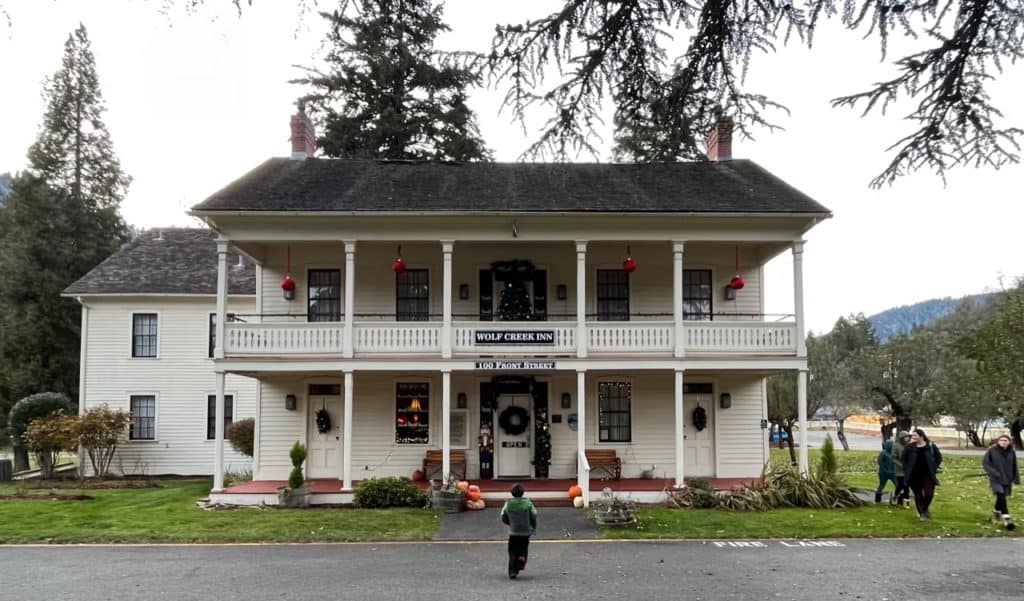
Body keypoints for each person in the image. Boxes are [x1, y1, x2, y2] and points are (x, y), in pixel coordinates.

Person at [901, 428, 942, 520]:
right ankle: (922, 513)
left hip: (928, 475)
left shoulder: (930, 446)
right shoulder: (910, 447)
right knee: (918, 495)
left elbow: (938, 457)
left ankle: (924, 509)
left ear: (921, 436)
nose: (913, 437)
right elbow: (903, 459)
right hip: (914, 475)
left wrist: (934, 467)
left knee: (929, 494)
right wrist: (906, 469)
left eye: (915, 435)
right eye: (913, 435)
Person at [500, 483, 538, 579]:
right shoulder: (527, 503)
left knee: (512, 550)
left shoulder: (508, 504)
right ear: (523, 493)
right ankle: (522, 558)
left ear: (511, 493)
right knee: (523, 547)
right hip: (525, 531)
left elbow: (503, 515)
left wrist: (509, 522)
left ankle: (512, 571)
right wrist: (532, 525)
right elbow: (534, 514)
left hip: (514, 531)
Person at [982, 434, 1020, 529]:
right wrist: (994, 473)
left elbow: (1015, 465)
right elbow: (985, 463)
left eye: (1005, 440)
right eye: (1001, 440)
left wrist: (1016, 478)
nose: (1003, 442)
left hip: (1008, 478)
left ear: (1009, 442)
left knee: (1001, 497)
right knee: (1000, 494)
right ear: (998, 441)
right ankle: (1007, 517)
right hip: (996, 478)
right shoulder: (992, 450)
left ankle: (995, 513)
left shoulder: (1012, 452)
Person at [890, 431, 912, 508]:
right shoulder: (896, 446)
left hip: (908, 470)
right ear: (902, 438)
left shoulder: (909, 446)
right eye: (906, 437)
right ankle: (895, 496)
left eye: (908, 437)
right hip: (899, 470)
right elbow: (893, 458)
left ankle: (906, 501)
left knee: (906, 486)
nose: (908, 438)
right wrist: (901, 465)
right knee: (900, 485)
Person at [875, 439, 896, 503]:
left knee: (898, 485)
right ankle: (878, 498)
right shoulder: (883, 453)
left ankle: (896, 498)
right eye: (890, 445)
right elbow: (880, 462)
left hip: (892, 473)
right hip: (883, 473)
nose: (891, 446)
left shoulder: (894, 453)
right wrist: (885, 470)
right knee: (881, 485)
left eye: (892, 445)